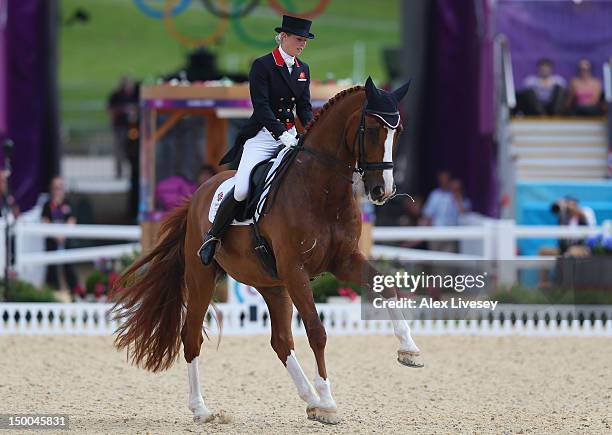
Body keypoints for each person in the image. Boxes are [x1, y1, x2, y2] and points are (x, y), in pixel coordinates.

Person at [198, 15, 315, 265]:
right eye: (298, 39)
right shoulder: (262, 66)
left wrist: (311, 130)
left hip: (291, 137)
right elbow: (261, 107)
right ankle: (213, 237)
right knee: (241, 189)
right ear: (283, 37)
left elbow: (304, 108)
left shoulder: (303, 69)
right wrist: (281, 134)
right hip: (263, 137)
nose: (302, 44)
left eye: (305, 41)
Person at [41, 176, 84, 297]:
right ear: (51, 188)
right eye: (55, 187)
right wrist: (56, 235)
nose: (58, 190)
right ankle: (52, 295)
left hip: (66, 242)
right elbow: (45, 221)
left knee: (69, 269)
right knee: (51, 270)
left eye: (60, 187)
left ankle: (75, 295)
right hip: (52, 242)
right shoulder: (47, 205)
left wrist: (63, 235)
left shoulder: (68, 203)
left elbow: (72, 220)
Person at [422, 172, 471, 253]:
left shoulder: (459, 196)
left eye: (446, 180)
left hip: (451, 235)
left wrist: (457, 194)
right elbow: (427, 215)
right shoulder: (435, 195)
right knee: (435, 261)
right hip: (436, 234)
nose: (444, 182)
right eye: (442, 180)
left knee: (448, 262)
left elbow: (463, 213)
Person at [107, 76, 139, 179]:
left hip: (133, 127)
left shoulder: (135, 95)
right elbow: (110, 110)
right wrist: (122, 110)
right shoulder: (116, 96)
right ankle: (119, 172)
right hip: (120, 127)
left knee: (132, 150)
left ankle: (133, 172)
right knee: (119, 150)